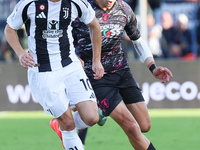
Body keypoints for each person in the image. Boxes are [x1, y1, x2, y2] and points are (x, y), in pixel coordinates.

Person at [50, 0, 173, 149]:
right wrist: (75, 58)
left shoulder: (124, 8)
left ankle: (96, 111)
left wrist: (152, 67)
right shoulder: (81, 9)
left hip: (122, 72)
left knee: (144, 125)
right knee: (131, 127)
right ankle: (79, 117)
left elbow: (137, 40)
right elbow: (59, 38)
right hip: (95, 76)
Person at [4, 0, 104, 150]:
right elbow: (9, 29)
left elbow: (94, 26)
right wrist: (20, 53)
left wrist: (97, 61)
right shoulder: (29, 4)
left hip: (71, 65)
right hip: (43, 71)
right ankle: (64, 124)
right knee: (68, 123)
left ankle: (59, 124)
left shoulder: (76, 3)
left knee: (92, 117)